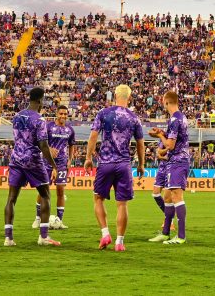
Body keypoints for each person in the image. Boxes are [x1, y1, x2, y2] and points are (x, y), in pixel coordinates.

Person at [85, 84, 145, 252]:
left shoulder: (104, 113)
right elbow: (140, 143)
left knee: (98, 199)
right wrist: (141, 164)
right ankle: (119, 242)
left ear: (114, 97)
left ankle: (105, 233)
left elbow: (93, 136)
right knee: (122, 204)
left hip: (105, 163)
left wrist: (88, 158)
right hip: (124, 164)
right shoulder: (134, 118)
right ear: (129, 98)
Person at [3, 87, 61, 247]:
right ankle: (43, 237)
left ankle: (8, 238)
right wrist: (53, 166)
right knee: (45, 196)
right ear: (40, 100)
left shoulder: (17, 116)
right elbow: (43, 145)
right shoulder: (39, 119)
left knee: (11, 198)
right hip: (32, 160)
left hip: (16, 159)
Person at [147, 91, 190, 245]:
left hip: (178, 161)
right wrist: (162, 133)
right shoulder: (181, 117)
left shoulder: (174, 119)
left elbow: (170, 145)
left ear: (166, 101)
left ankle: (181, 236)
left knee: (177, 195)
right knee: (167, 196)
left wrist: (159, 137)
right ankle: (165, 233)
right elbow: (175, 138)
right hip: (176, 161)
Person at [34, 105, 76, 231]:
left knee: (60, 192)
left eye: (65, 114)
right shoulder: (48, 126)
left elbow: (71, 145)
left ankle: (59, 220)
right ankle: (37, 218)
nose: (63, 116)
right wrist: (48, 149)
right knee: (43, 190)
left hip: (62, 164)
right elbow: (39, 141)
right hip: (46, 162)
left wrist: (70, 160)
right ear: (57, 114)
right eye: (61, 113)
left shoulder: (70, 130)